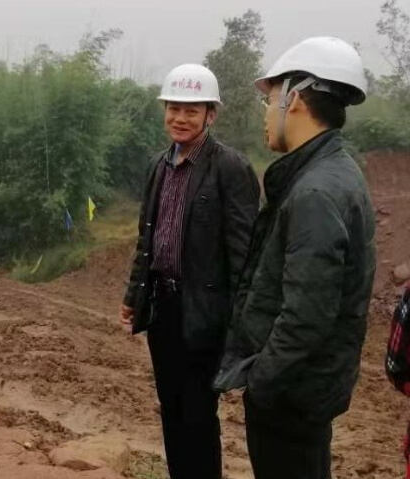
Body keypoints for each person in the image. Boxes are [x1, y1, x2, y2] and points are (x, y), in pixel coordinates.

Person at [214, 37, 376, 479]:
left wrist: (262, 381)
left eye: (269, 101)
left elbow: (307, 315)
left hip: (290, 397)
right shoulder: (330, 173)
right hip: (303, 392)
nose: (266, 114)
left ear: (296, 99)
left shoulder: (315, 192)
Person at [120, 63, 260, 479]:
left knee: (197, 413)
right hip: (163, 306)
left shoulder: (230, 168)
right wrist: (133, 295)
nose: (180, 118)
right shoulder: (158, 165)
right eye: (174, 109)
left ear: (210, 115)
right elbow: (147, 239)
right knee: (171, 407)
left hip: (205, 312)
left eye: (191, 111)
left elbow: (244, 253)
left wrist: (240, 323)